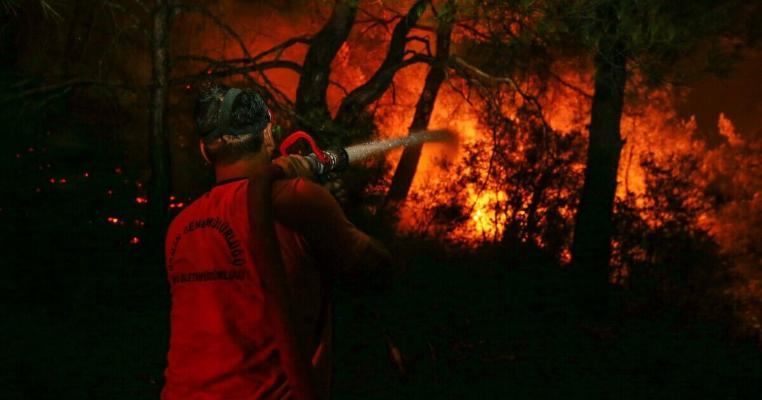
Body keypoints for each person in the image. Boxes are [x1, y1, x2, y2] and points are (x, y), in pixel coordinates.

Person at [162, 82, 391, 400]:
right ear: (269, 136)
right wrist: (337, 204)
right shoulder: (295, 198)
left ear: (204, 150)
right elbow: (379, 268)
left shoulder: (180, 227)